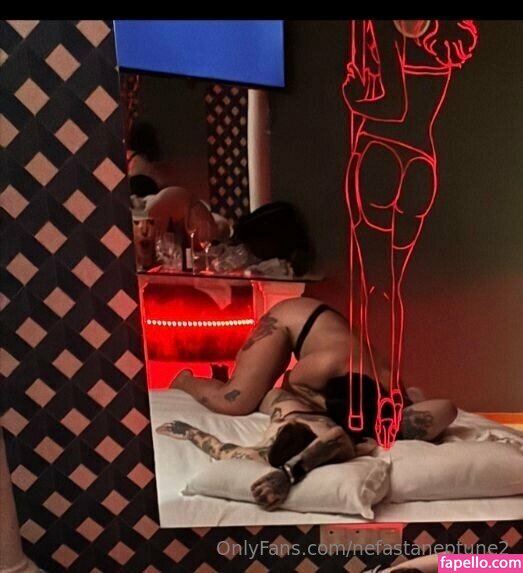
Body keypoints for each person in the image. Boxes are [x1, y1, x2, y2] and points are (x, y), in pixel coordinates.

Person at [341, 21, 478, 445]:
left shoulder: (384, 29)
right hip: (421, 165)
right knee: (394, 287)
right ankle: (392, 399)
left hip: (381, 153)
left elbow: (393, 106)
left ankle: (377, 399)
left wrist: (353, 97)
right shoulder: (448, 38)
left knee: (375, 288)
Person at [172, 297, 458, 449]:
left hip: (333, 335)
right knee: (236, 401)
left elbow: (447, 408)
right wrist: (321, 405)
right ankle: (185, 379)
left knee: (252, 390)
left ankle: (240, 376)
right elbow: (292, 381)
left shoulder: (392, 388)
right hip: (291, 320)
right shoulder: (325, 365)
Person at [157, 384, 359, 511]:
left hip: (290, 406)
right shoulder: (335, 445)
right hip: (294, 404)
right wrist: (290, 473)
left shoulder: (259, 454)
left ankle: (187, 380)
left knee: (238, 399)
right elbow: (335, 436)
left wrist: (189, 431)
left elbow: (218, 449)